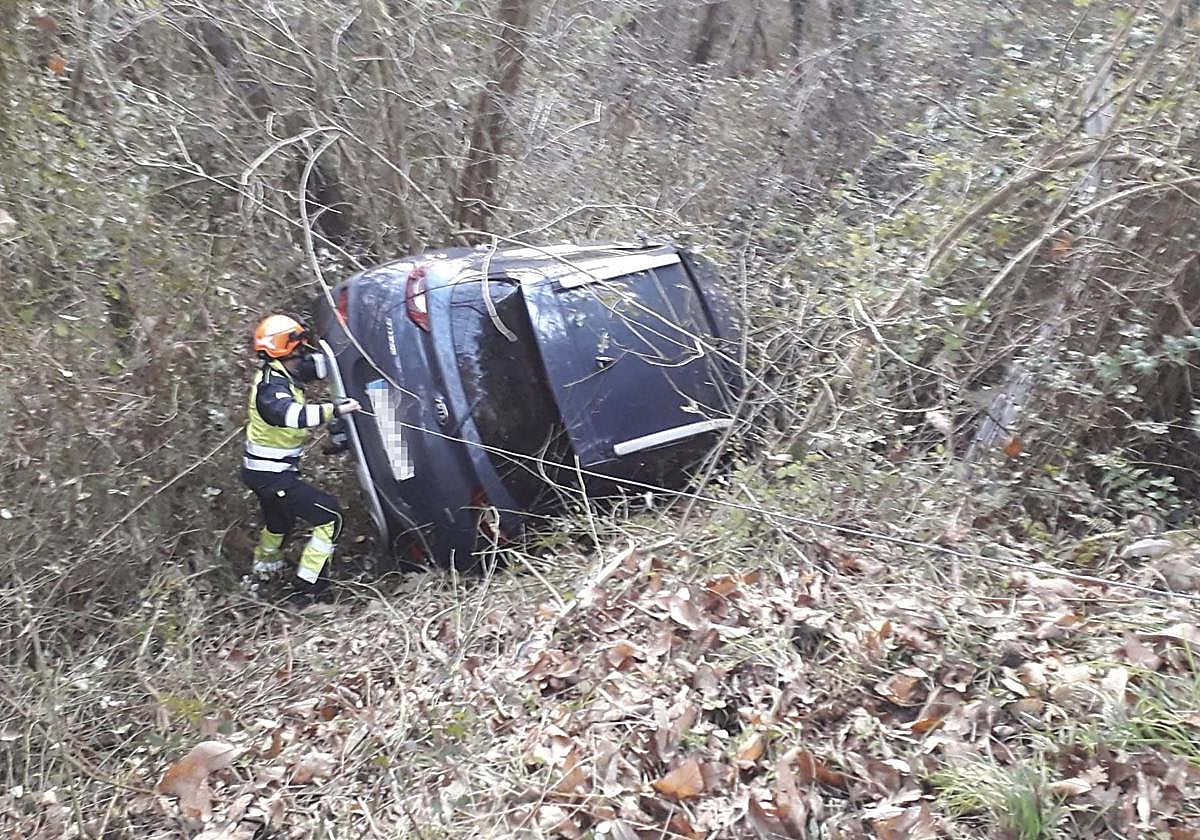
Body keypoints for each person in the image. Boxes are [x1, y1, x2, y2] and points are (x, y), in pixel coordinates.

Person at [242, 314, 360, 596]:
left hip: (263, 473)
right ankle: (310, 588)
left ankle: (265, 570)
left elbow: (319, 367)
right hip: (272, 476)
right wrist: (334, 410)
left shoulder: (281, 372)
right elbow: (290, 415)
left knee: (280, 523)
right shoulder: (270, 389)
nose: (303, 354)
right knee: (330, 517)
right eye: (300, 349)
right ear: (287, 350)